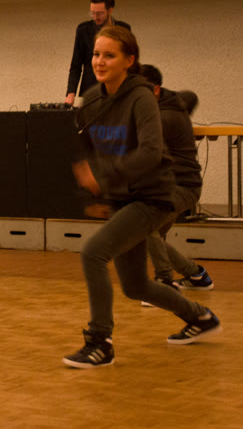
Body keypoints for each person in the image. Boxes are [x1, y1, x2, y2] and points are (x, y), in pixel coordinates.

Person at [63, 26, 221, 369]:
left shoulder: (141, 97)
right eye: (96, 54)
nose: (99, 61)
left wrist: (105, 175)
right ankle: (200, 317)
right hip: (122, 197)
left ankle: (99, 342)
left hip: (152, 196)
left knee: (93, 253)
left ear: (129, 60)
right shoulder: (92, 100)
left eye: (109, 55)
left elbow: (150, 153)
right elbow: (89, 153)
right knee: (135, 286)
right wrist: (95, 191)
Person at [138, 64, 213, 296]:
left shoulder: (163, 118)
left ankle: (164, 282)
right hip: (176, 186)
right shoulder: (168, 103)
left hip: (181, 187)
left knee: (145, 226)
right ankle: (196, 275)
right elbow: (189, 96)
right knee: (151, 235)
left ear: (155, 90)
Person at [65, 0, 131, 106]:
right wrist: (71, 93)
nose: (95, 17)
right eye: (92, 13)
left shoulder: (123, 29)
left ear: (110, 10)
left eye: (99, 13)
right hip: (91, 89)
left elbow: (128, 62)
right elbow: (76, 64)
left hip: (117, 88)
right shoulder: (83, 30)